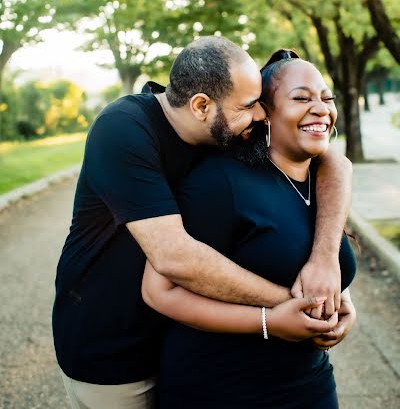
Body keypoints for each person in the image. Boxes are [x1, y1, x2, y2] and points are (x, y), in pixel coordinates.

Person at [53, 37, 352, 409]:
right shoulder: (123, 130)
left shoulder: (223, 130)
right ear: (200, 106)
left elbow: (332, 163)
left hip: (176, 341)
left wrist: (326, 267)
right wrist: (305, 305)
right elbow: (174, 257)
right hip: (114, 342)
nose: (259, 115)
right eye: (248, 106)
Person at [142, 50, 357, 409]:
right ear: (264, 112)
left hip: (310, 384)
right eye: (302, 98)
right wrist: (268, 321)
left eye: (326, 97)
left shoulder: (326, 184)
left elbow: (316, 263)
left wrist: (341, 304)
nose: (321, 108)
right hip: (221, 389)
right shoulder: (221, 183)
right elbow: (158, 291)